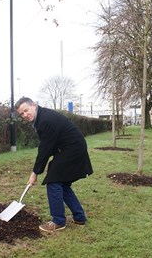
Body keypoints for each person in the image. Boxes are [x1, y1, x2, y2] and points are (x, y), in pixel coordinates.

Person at [15, 97, 93, 233]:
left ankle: (58, 221)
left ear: (34, 105)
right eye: (22, 114)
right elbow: (48, 146)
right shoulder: (41, 118)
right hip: (71, 148)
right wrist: (37, 171)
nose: (25, 115)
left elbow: (45, 149)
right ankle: (79, 217)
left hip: (72, 149)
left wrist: (35, 173)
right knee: (61, 184)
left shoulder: (45, 120)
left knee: (53, 181)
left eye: (26, 110)